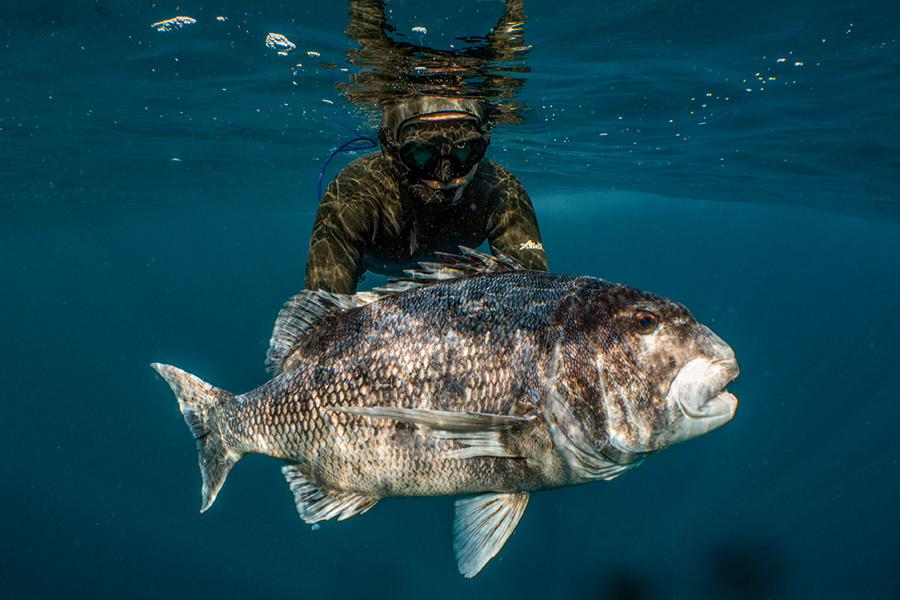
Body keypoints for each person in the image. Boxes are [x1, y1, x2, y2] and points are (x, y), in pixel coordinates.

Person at [304, 95, 547, 294]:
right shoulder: (352, 194)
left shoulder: (502, 192)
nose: (445, 176)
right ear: (390, 149)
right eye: (421, 151)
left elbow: (536, 298)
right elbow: (319, 318)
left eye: (464, 148)